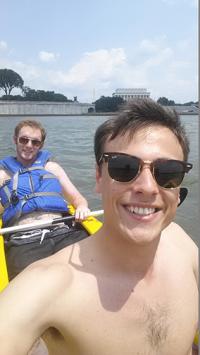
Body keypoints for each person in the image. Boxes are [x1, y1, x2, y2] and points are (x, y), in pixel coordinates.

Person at [0, 99, 198, 355]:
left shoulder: (183, 244)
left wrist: (81, 206)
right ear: (98, 177)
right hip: (21, 234)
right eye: (123, 167)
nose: (148, 187)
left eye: (168, 171)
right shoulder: (44, 286)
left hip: (62, 226)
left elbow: (76, 198)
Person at [0, 119, 90, 280]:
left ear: (40, 145)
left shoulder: (52, 168)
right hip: (24, 240)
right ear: (15, 140)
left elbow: (78, 199)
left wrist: (82, 207)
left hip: (63, 232)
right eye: (24, 139)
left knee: (88, 274)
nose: (29, 145)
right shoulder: (2, 174)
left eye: (35, 142)